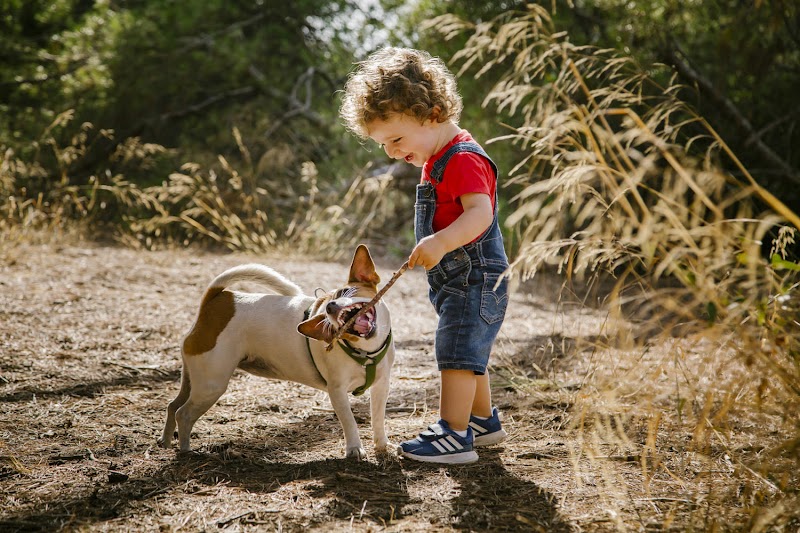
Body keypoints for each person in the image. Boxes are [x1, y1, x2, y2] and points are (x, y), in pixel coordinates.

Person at [339, 47, 509, 464]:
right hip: (458, 279)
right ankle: (482, 422)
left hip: (477, 276)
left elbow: (480, 214)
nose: (391, 152)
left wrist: (439, 242)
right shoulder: (435, 157)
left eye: (396, 139)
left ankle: (453, 433)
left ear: (432, 113)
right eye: (383, 144)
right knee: (470, 350)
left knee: (455, 351)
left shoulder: (463, 159)